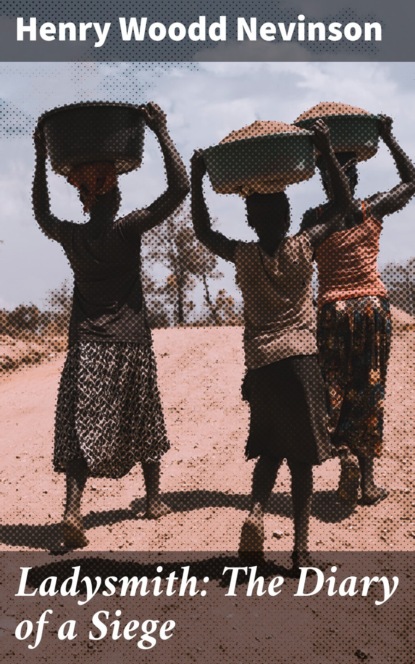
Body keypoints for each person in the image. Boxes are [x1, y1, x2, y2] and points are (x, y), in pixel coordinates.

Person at [191, 120, 353, 569]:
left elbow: (204, 233)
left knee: (269, 450)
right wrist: (323, 150)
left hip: (262, 365)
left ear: (250, 220)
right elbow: (341, 206)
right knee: (301, 460)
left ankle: (257, 512)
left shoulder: (243, 255)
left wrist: (199, 178)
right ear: (285, 216)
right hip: (301, 361)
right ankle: (300, 550)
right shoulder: (304, 246)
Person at [32, 102, 190, 549]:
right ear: (110, 195)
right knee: (144, 418)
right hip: (131, 342)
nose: (119, 190)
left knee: (83, 427)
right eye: (114, 183)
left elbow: (41, 213)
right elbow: (179, 189)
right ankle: (154, 498)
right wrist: (160, 131)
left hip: (88, 346)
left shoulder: (74, 236)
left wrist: (42, 157)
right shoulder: (128, 230)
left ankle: (72, 511)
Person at [301, 115, 415, 507]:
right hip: (372, 309)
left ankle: (343, 453)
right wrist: (388, 135)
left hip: (333, 309)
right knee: (369, 392)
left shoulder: (312, 220)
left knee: (332, 390)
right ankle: (366, 484)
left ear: (324, 179)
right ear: (356, 180)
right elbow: (412, 180)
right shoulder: (373, 208)